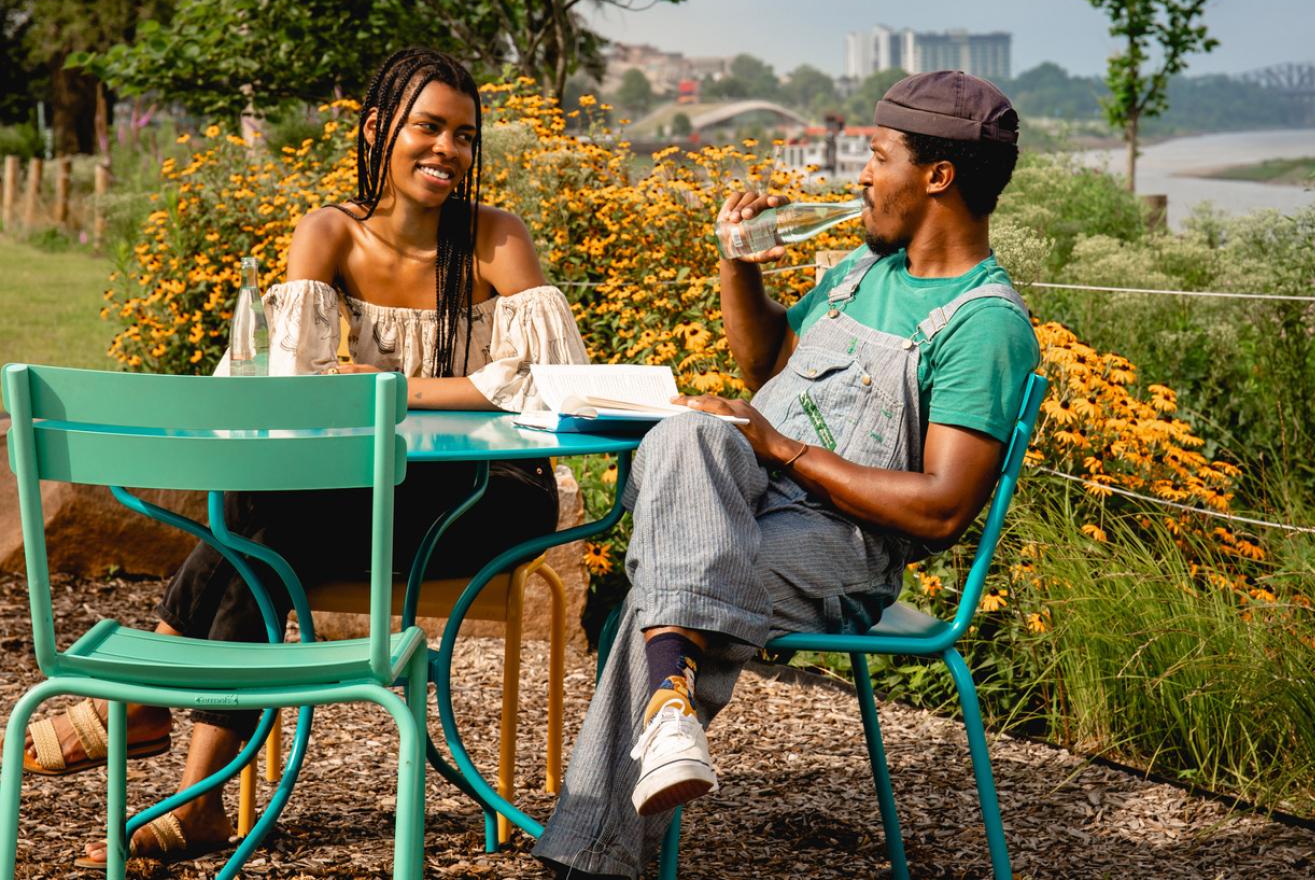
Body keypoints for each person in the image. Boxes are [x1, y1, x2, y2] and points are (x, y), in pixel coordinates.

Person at [21, 47, 590, 868]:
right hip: (363, 493)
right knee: (266, 519)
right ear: (378, 129)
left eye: (465, 135)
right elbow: (293, 390)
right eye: (428, 127)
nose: (448, 150)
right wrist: (418, 392)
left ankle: (148, 721)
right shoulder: (329, 233)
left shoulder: (495, 238)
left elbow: (552, 381)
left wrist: (392, 390)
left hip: (487, 494)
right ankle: (190, 789)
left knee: (261, 516)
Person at [532, 71, 1041, 879]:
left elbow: (942, 510)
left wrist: (782, 450)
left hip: (842, 545)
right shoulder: (860, 273)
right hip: (743, 498)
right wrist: (739, 266)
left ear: (938, 176)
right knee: (691, 429)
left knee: (663, 590)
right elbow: (766, 363)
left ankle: (594, 853)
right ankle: (666, 717)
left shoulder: (983, 325)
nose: (862, 176)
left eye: (878, 158)